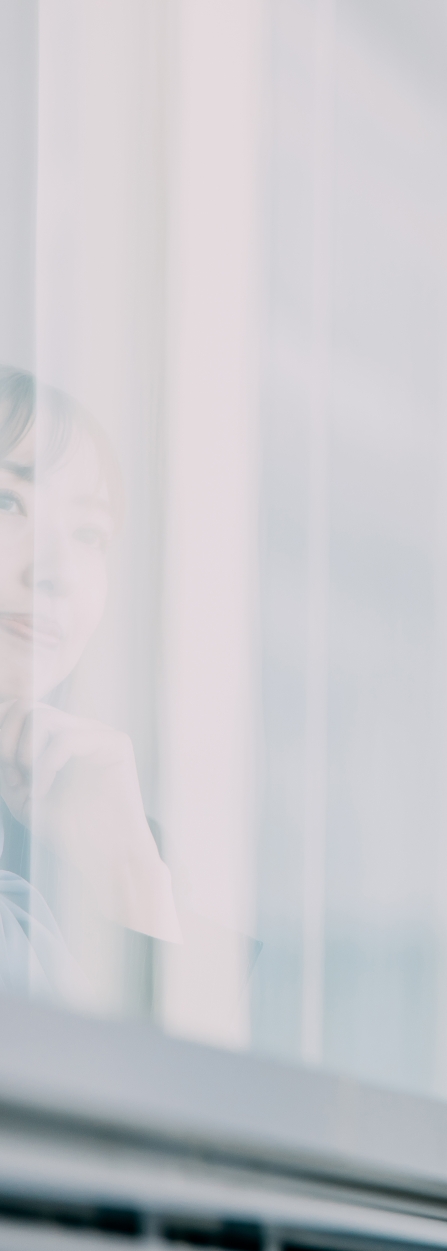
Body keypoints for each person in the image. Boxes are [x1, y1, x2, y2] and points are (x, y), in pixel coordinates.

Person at [0, 368, 178, 993]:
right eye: (8, 501)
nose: (57, 573)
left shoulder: (47, 872)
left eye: (89, 534)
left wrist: (130, 874)